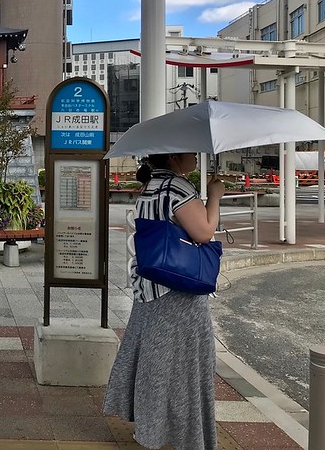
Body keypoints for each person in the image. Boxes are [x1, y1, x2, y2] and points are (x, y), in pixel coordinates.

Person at [104, 152, 225, 450]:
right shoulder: (177, 188)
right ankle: (186, 436)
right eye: (190, 153)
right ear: (174, 156)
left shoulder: (150, 186)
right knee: (186, 368)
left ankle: (150, 430)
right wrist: (215, 196)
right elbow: (204, 232)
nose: (195, 157)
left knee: (156, 364)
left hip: (150, 286)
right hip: (179, 290)